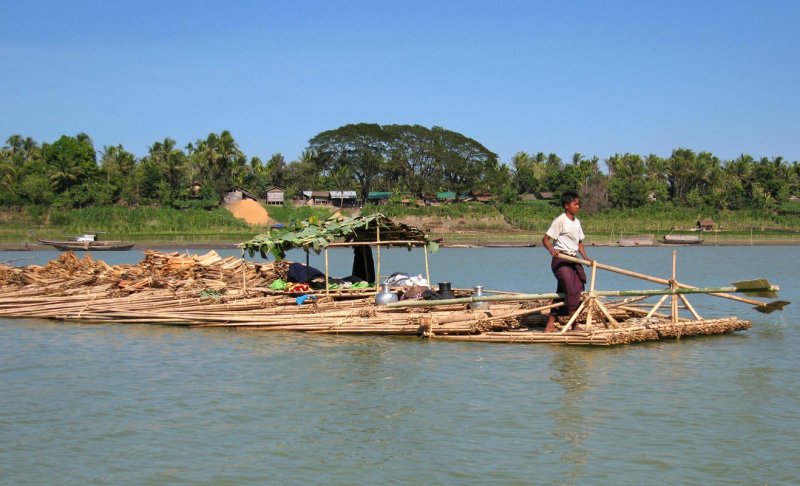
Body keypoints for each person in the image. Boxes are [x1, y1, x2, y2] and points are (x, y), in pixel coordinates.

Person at [541, 191, 592, 333]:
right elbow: (545, 239)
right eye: (575, 204)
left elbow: (579, 242)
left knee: (564, 292)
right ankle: (574, 324)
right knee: (571, 290)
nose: (578, 206)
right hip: (561, 261)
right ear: (566, 205)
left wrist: (586, 258)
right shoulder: (560, 220)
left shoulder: (577, 223)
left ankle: (550, 325)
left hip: (573, 259)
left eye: (578, 203)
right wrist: (552, 250)